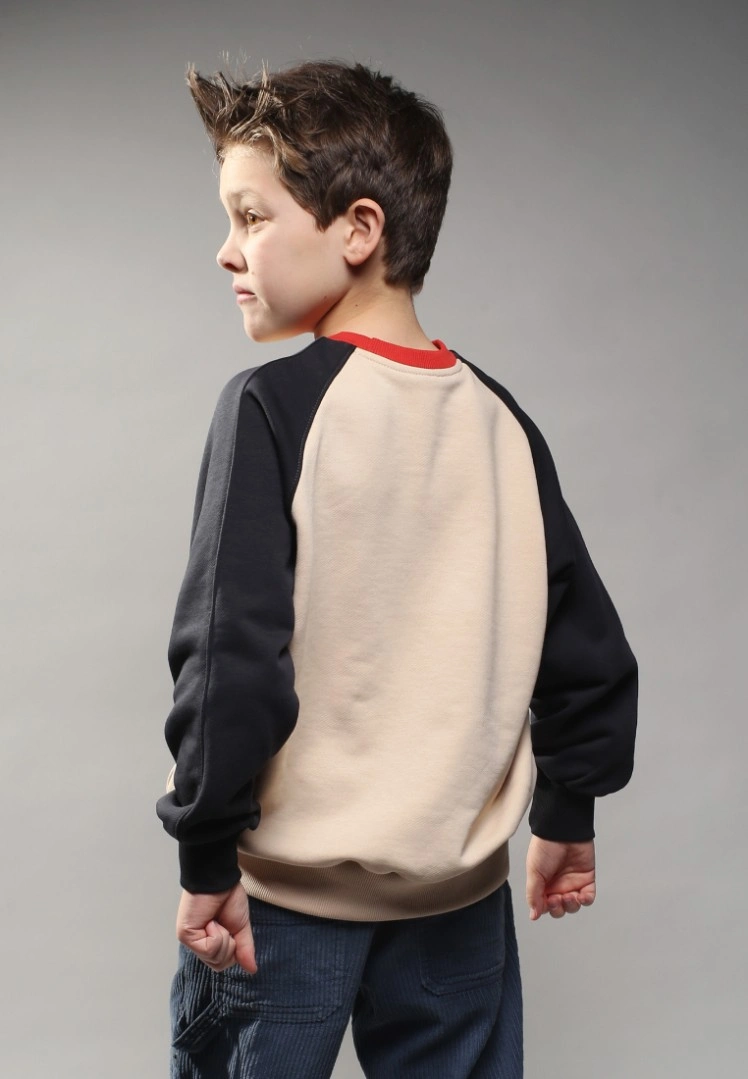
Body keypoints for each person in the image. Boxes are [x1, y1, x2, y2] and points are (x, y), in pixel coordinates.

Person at [155, 57, 638, 1079]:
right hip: (456, 900)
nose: (226, 250)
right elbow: (584, 644)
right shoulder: (501, 421)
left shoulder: (271, 408)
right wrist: (568, 813)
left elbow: (230, 657)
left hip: (284, 905)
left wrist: (205, 850)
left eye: (251, 217)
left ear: (358, 230)